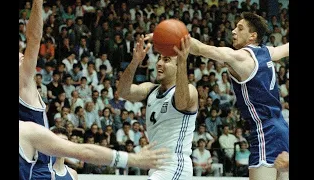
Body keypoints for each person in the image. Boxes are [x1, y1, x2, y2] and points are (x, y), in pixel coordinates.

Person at [145, 11, 289, 180]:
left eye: (240, 28)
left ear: (252, 36)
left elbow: (201, 49)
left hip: (265, 131)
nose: (233, 31)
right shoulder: (268, 52)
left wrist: (167, 37)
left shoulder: (240, 57)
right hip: (282, 129)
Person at [118, 34, 198, 180]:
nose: (159, 63)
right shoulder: (150, 90)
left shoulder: (189, 90)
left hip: (175, 165)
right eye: (159, 58)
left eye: (166, 60)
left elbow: (181, 103)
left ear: (178, 63)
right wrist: (135, 62)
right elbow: (123, 92)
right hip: (155, 168)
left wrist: (182, 63)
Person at [19, 120, 169, 180]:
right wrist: (133, 159)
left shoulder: (72, 174)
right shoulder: (36, 170)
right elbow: (84, 152)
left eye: (63, 142)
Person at [19, 0, 55, 179]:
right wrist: (38, 3)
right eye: (20, 55)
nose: (22, 55)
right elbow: (33, 39)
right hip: (37, 171)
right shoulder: (22, 82)